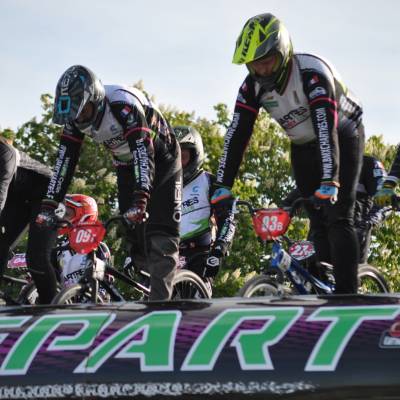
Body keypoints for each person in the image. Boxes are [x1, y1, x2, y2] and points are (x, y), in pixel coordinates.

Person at [212, 13, 364, 294]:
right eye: (255, 64)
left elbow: (325, 128)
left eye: (267, 61)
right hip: (302, 143)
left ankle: (348, 295)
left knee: (338, 216)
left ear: (283, 53)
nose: (262, 70)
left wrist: (330, 179)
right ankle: (324, 289)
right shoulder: (251, 86)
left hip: (342, 134)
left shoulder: (312, 74)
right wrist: (222, 185)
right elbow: (237, 134)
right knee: (316, 218)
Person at [27, 65, 182, 304]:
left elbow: (143, 153)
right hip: (125, 163)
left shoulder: (123, 106)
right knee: (132, 231)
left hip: (161, 157)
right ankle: (157, 283)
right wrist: (49, 206)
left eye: (84, 112)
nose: (80, 119)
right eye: (75, 115)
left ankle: (160, 304)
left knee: (160, 235)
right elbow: (64, 164)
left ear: (96, 100)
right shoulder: (75, 120)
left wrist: (141, 199)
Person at [282, 154, 387, 264]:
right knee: (296, 268)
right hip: (319, 238)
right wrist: (279, 213)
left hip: (353, 237)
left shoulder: (369, 164)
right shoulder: (325, 166)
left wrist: (368, 223)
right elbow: (299, 194)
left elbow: (385, 199)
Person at [174, 126, 235, 279]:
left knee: (197, 292)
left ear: (195, 155)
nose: (179, 163)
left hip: (200, 255)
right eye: (174, 157)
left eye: (183, 157)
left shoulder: (209, 181)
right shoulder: (164, 189)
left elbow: (227, 217)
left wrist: (219, 249)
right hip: (170, 257)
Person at [0, 129, 52, 283]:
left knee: (36, 258)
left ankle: (49, 298)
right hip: (18, 198)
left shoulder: (5, 153)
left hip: (46, 194)